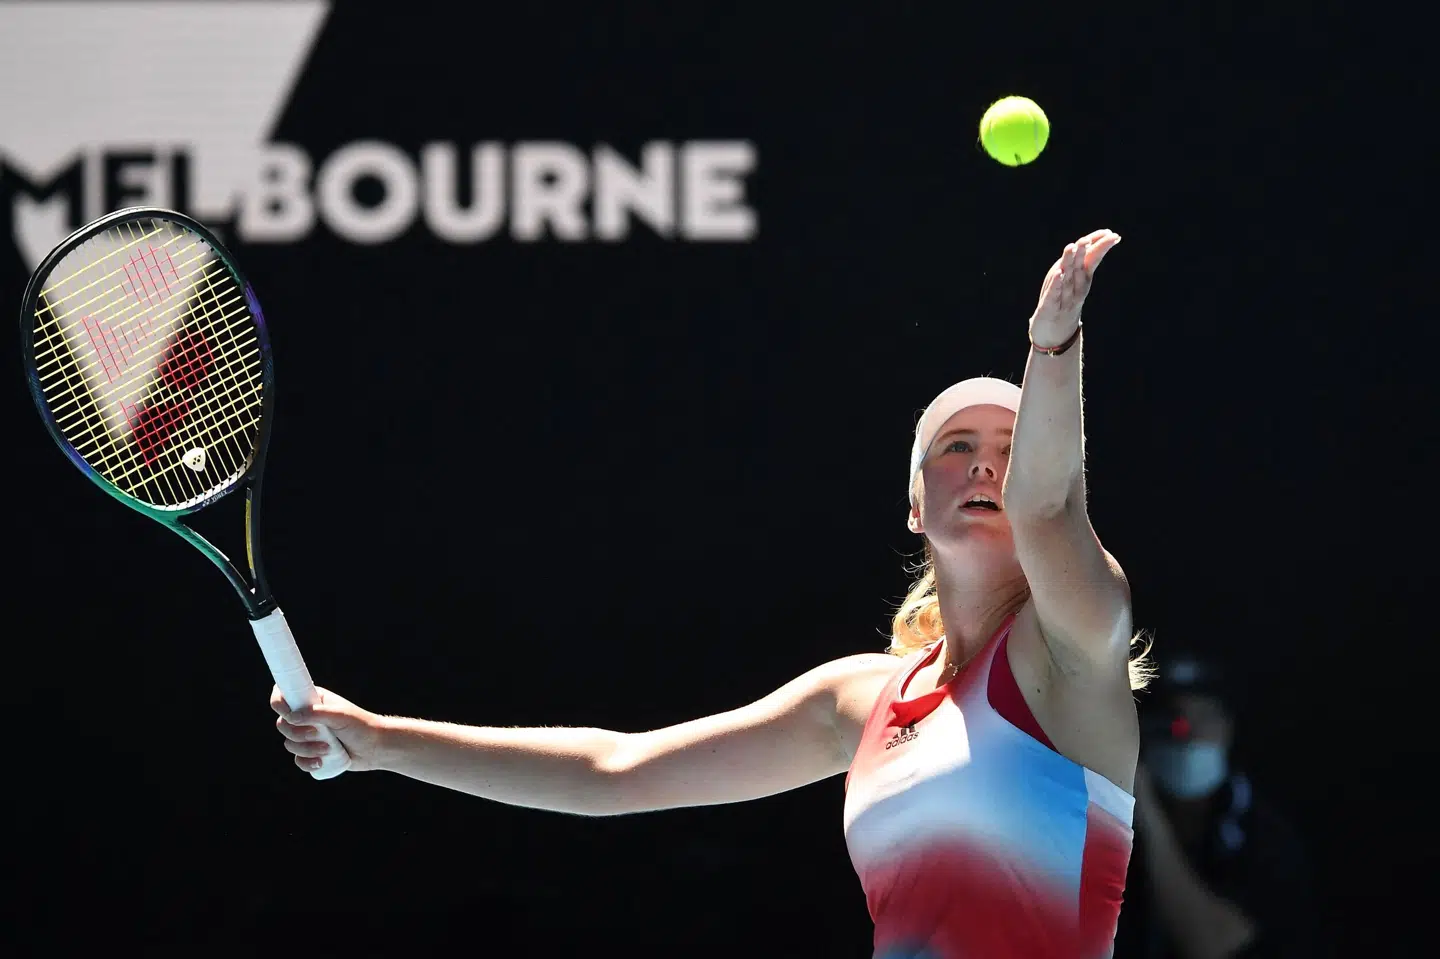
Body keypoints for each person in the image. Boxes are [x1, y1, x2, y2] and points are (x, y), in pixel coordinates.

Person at [272, 228, 1153, 958]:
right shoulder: (859, 700)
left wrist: (1051, 347)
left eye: (1010, 446)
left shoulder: (1077, 649)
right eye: (957, 447)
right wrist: (381, 741)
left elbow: (1047, 507)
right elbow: (617, 771)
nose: (987, 465)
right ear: (916, 506)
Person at [1113, 649, 1321, 959]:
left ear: (1228, 729)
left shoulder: (1266, 838)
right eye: (1172, 720)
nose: (1188, 733)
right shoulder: (1108, 826)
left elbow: (1216, 944)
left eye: (1204, 717)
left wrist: (1150, 818)